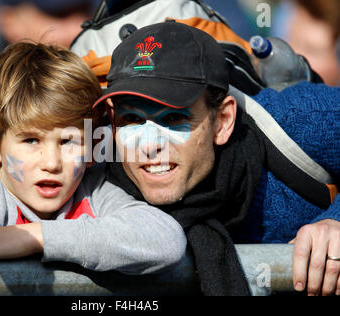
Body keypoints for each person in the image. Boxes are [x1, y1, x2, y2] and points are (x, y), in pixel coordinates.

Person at [90, 22, 339, 295]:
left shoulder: (296, 120)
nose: (149, 146)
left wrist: (335, 222)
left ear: (223, 121)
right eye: (132, 119)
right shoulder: (87, 169)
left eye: (173, 118)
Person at [0, 41, 186, 274]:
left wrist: (38, 238)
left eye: (69, 141)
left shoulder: (94, 193)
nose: (51, 162)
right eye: (31, 140)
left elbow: (166, 240)